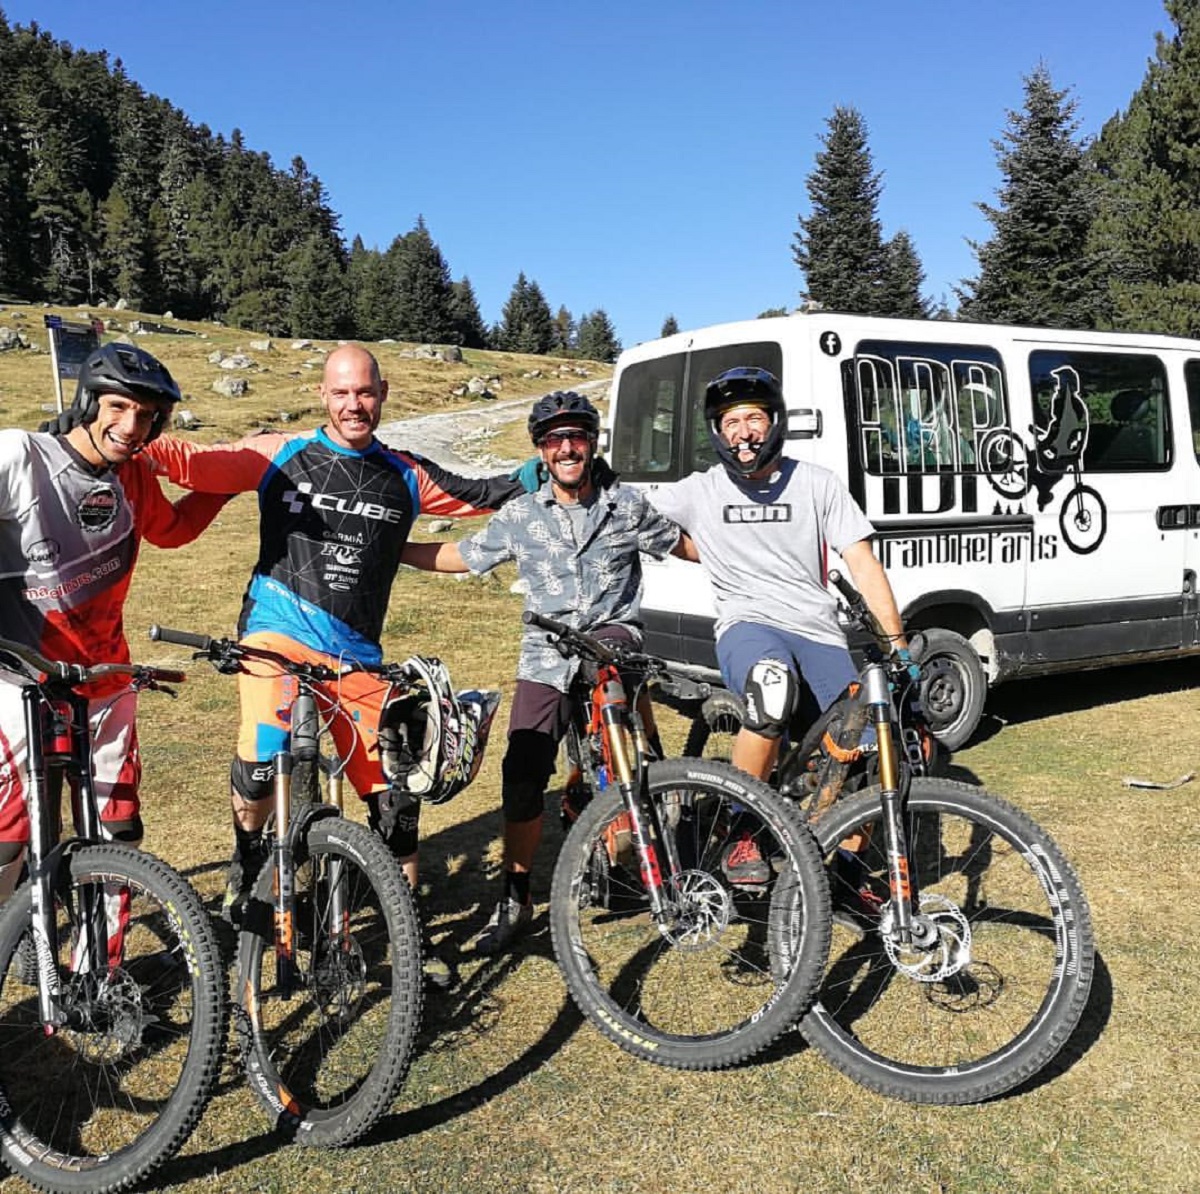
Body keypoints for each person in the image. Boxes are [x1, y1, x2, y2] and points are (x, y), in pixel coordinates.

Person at [140, 345, 532, 955]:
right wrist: (121, 430)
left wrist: (556, 467)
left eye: (366, 392)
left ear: (383, 393)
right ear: (324, 394)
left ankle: (407, 941)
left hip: (357, 659)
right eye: (343, 392)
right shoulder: (281, 452)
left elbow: (483, 493)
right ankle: (248, 861)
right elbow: (193, 463)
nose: (355, 404)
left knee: (396, 800)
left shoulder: (405, 472)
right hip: (275, 637)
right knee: (264, 761)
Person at [401, 390, 693, 956]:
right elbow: (462, 555)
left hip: (613, 637)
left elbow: (682, 544)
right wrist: (393, 551)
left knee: (614, 705)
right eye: (555, 439)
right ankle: (515, 894)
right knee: (523, 768)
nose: (567, 447)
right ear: (541, 450)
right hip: (546, 653)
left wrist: (763, 552)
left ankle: (639, 842)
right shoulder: (521, 514)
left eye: (577, 437)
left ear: (592, 444)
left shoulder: (624, 505)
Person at [645, 366, 915, 882]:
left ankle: (849, 864)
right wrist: (710, 553)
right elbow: (632, 520)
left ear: (774, 423)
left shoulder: (816, 483)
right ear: (717, 432)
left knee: (866, 739)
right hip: (749, 625)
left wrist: (897, 647)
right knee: (771, 689)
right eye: (730, 422)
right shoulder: (699, 490)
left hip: (817, 631)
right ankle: (743, 828)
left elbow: (863, 562)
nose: (743, 432)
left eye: (753, 418)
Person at [0, 343, 228, 902]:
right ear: (88, 399)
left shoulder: (132, 477)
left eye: (146, 417)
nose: (131, 427)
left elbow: (172, 530)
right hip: (15, 680)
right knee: (8, 840)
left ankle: (98, 979)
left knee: (118, 834)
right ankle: (19, 938)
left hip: (104, 680)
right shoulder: (20, 456)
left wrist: (227, 479)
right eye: (119, 407)